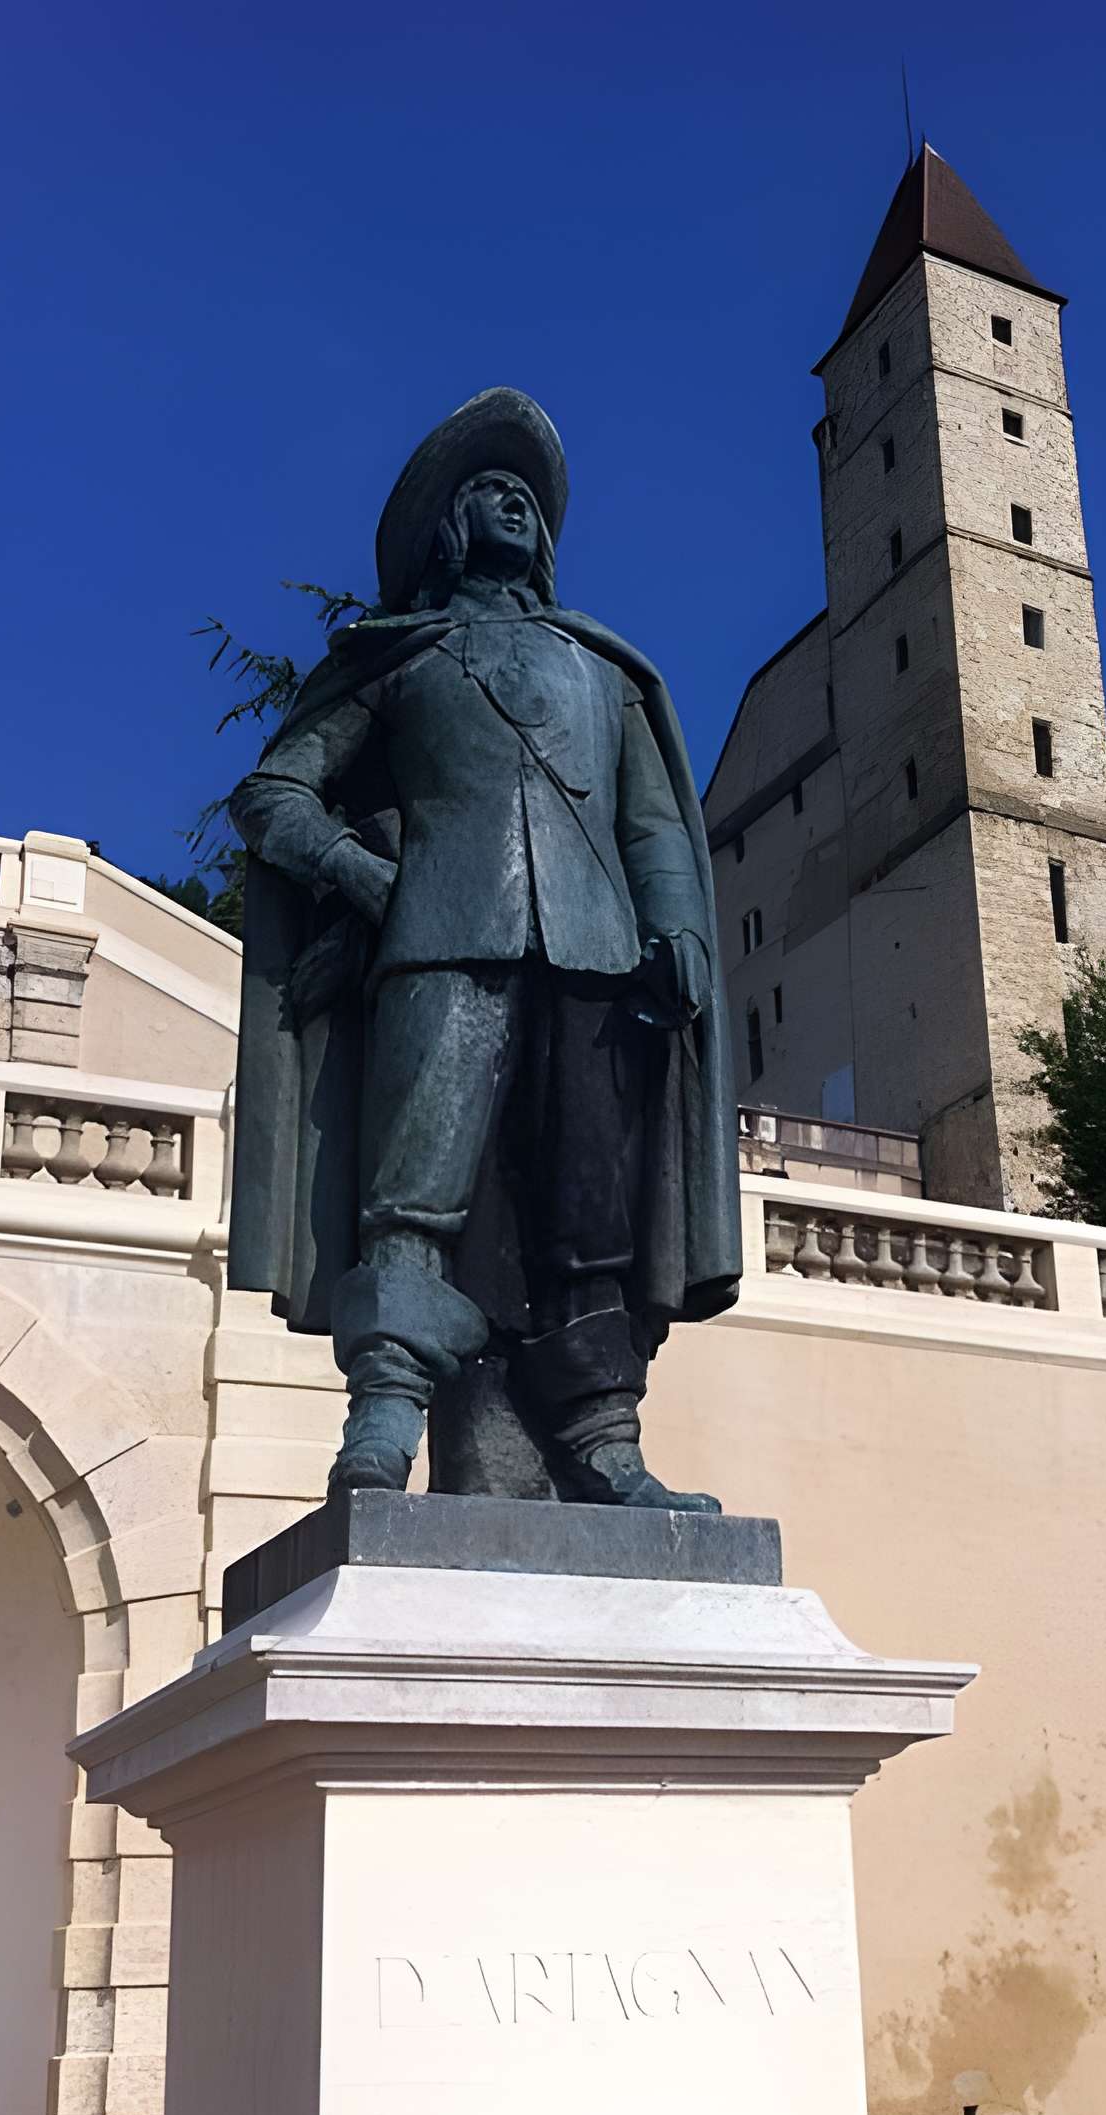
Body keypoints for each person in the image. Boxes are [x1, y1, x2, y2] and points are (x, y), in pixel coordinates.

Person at [225, 389, 740, 1506]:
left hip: (598, 956)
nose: (512, 500)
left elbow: (650, 822)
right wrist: (361, 875)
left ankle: (606, 1442)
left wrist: (678, 925)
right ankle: (383, 1421)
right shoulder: (397, 659)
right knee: (413, 1195)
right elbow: (273, 792)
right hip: (440, 941)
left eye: (525, 494)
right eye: (486, 491)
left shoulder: (604, 670)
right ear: (445, 532)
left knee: (587, 1209)